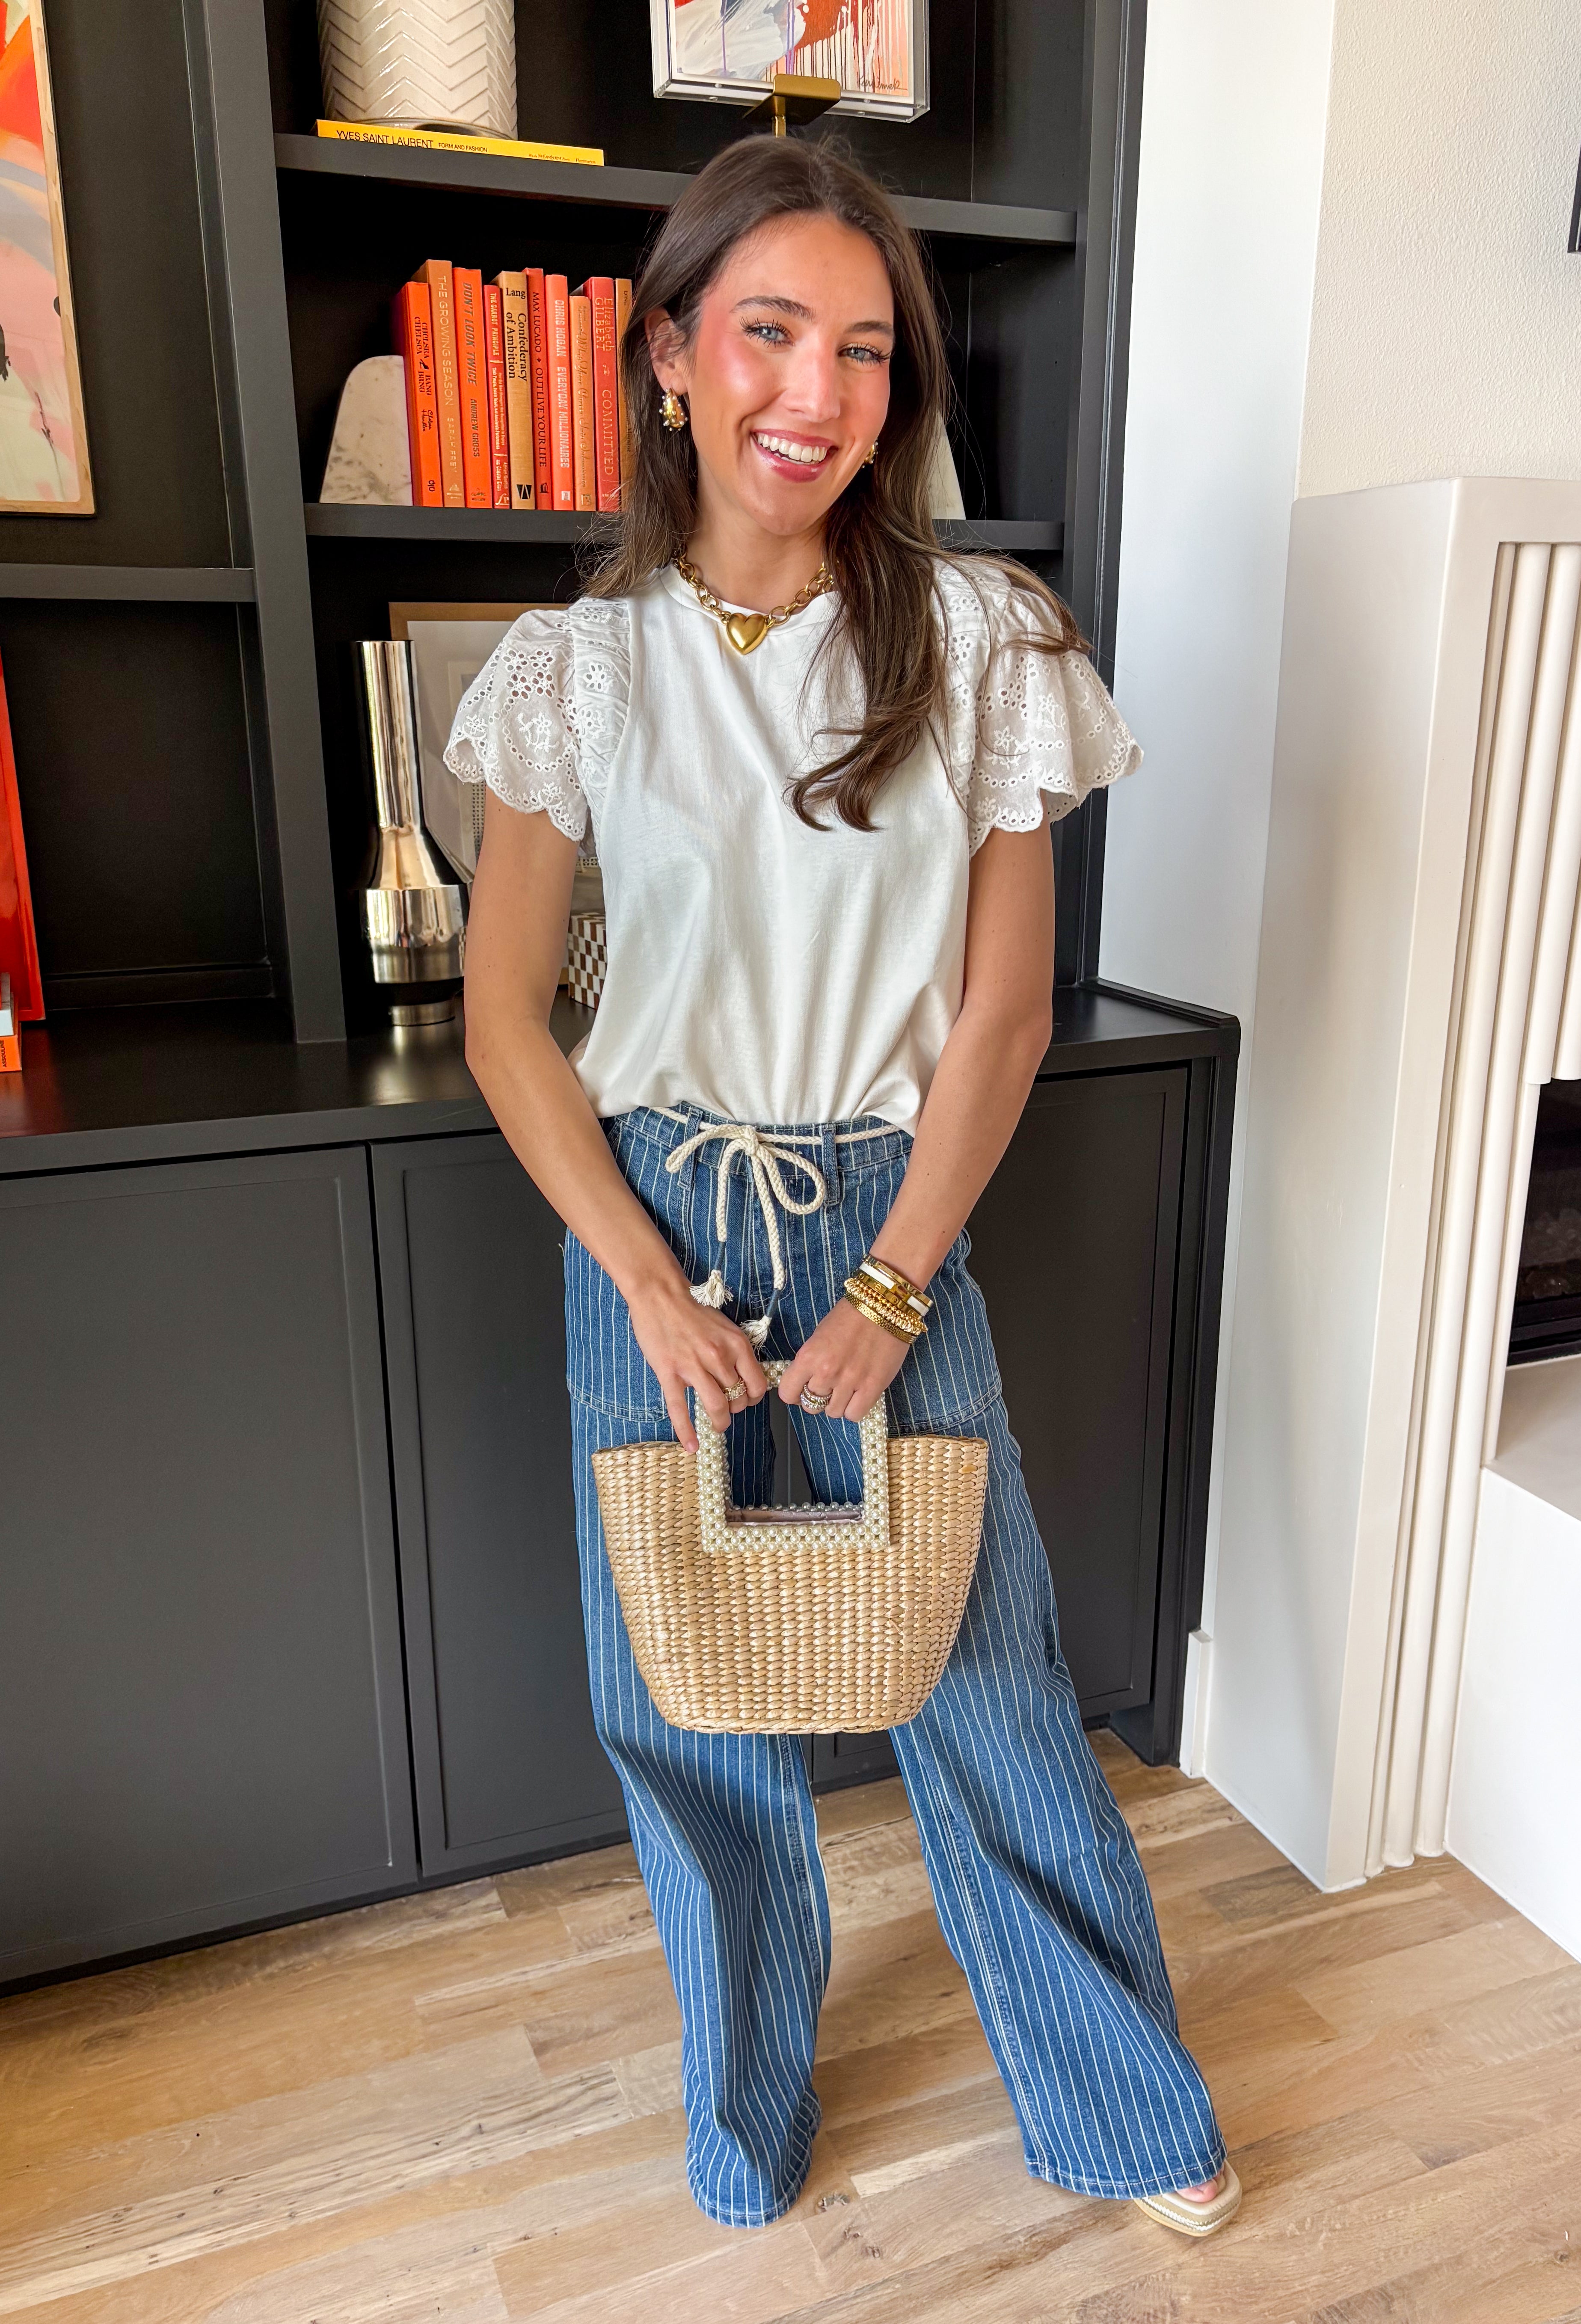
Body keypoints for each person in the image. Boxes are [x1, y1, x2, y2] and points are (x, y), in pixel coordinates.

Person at [446, 133, 1240, 2242]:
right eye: (775, 332)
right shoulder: (575, 671)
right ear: (674, 360)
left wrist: (891, 1294)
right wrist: (638, 1276)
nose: (822, 391)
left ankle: (1118, 2105)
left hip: (892, 1220)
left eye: (869, 349)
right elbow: (509, 1021)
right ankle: (744, 2114)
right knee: (687, 1699)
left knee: (983, 1678)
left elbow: (998, 1017)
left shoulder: (980, 642)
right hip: (655, 1225)